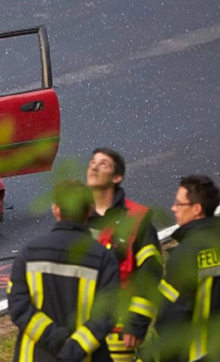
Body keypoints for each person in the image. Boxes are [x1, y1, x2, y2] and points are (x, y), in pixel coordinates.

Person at [9, 180, 120, 362]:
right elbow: (107, 314)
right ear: (90, 210)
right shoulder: (104, 259)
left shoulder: (29, 253)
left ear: (56, 209)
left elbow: (18, 307)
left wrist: (58, 341)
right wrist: (74, 348)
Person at [86, 148, 162, 360]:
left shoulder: (137, 219)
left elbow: (151, 274)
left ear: (117, 177)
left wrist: (137, 323)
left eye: (103, 164)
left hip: (118, 333)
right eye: (92, 162)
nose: (93, 166)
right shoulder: (76, 218)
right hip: (78, 331)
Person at [154, 175, 220, 362]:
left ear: (197, 209)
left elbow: (170, 318)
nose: (173, 208)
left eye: (179, 204)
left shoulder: (185, 255)